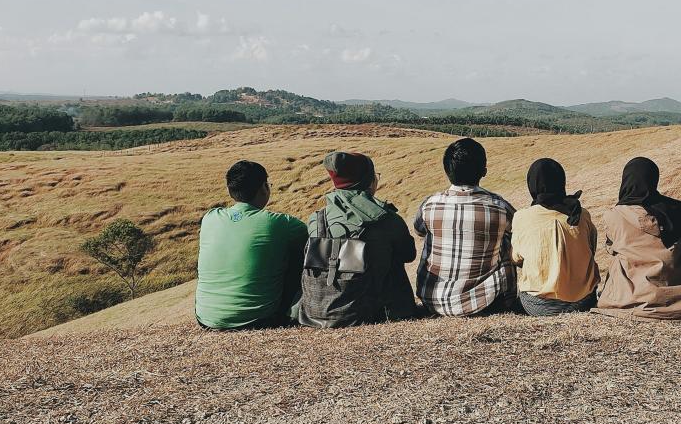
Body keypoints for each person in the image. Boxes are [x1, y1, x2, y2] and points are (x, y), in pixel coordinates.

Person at [296, 152, 418, 327]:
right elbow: (408, 254)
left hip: (318, 311)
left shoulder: (317, 219)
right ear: (369, 181)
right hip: (379, 312)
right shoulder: (387, 218)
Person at [195, 160, 307, 330]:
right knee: (297, 253)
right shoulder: (281, 223)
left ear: (229, 190)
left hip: (205, 318)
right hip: (260, 318)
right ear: (264, 187)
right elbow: (310, 245)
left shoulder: (210, 217)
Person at [595, 157, 681, 321]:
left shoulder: (614, 215)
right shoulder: (678, 211)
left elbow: (611, 249)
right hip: (679, 298)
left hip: (630, 298)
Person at [414, 138, 517, 316]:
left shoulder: (429, 204)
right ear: (484, 171)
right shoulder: (499, 206)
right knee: (507, 237)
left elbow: (419, 231)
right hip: (487, 303)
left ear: (447, 170)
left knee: (433, 232)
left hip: (433, 300)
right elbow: (519, 231)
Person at [510, 158, 600, 316]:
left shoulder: (522, 217)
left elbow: (516, 258)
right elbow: (591, 249)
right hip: (584, 301)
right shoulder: (581, 214)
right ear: (562, 182)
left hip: (538, 305)